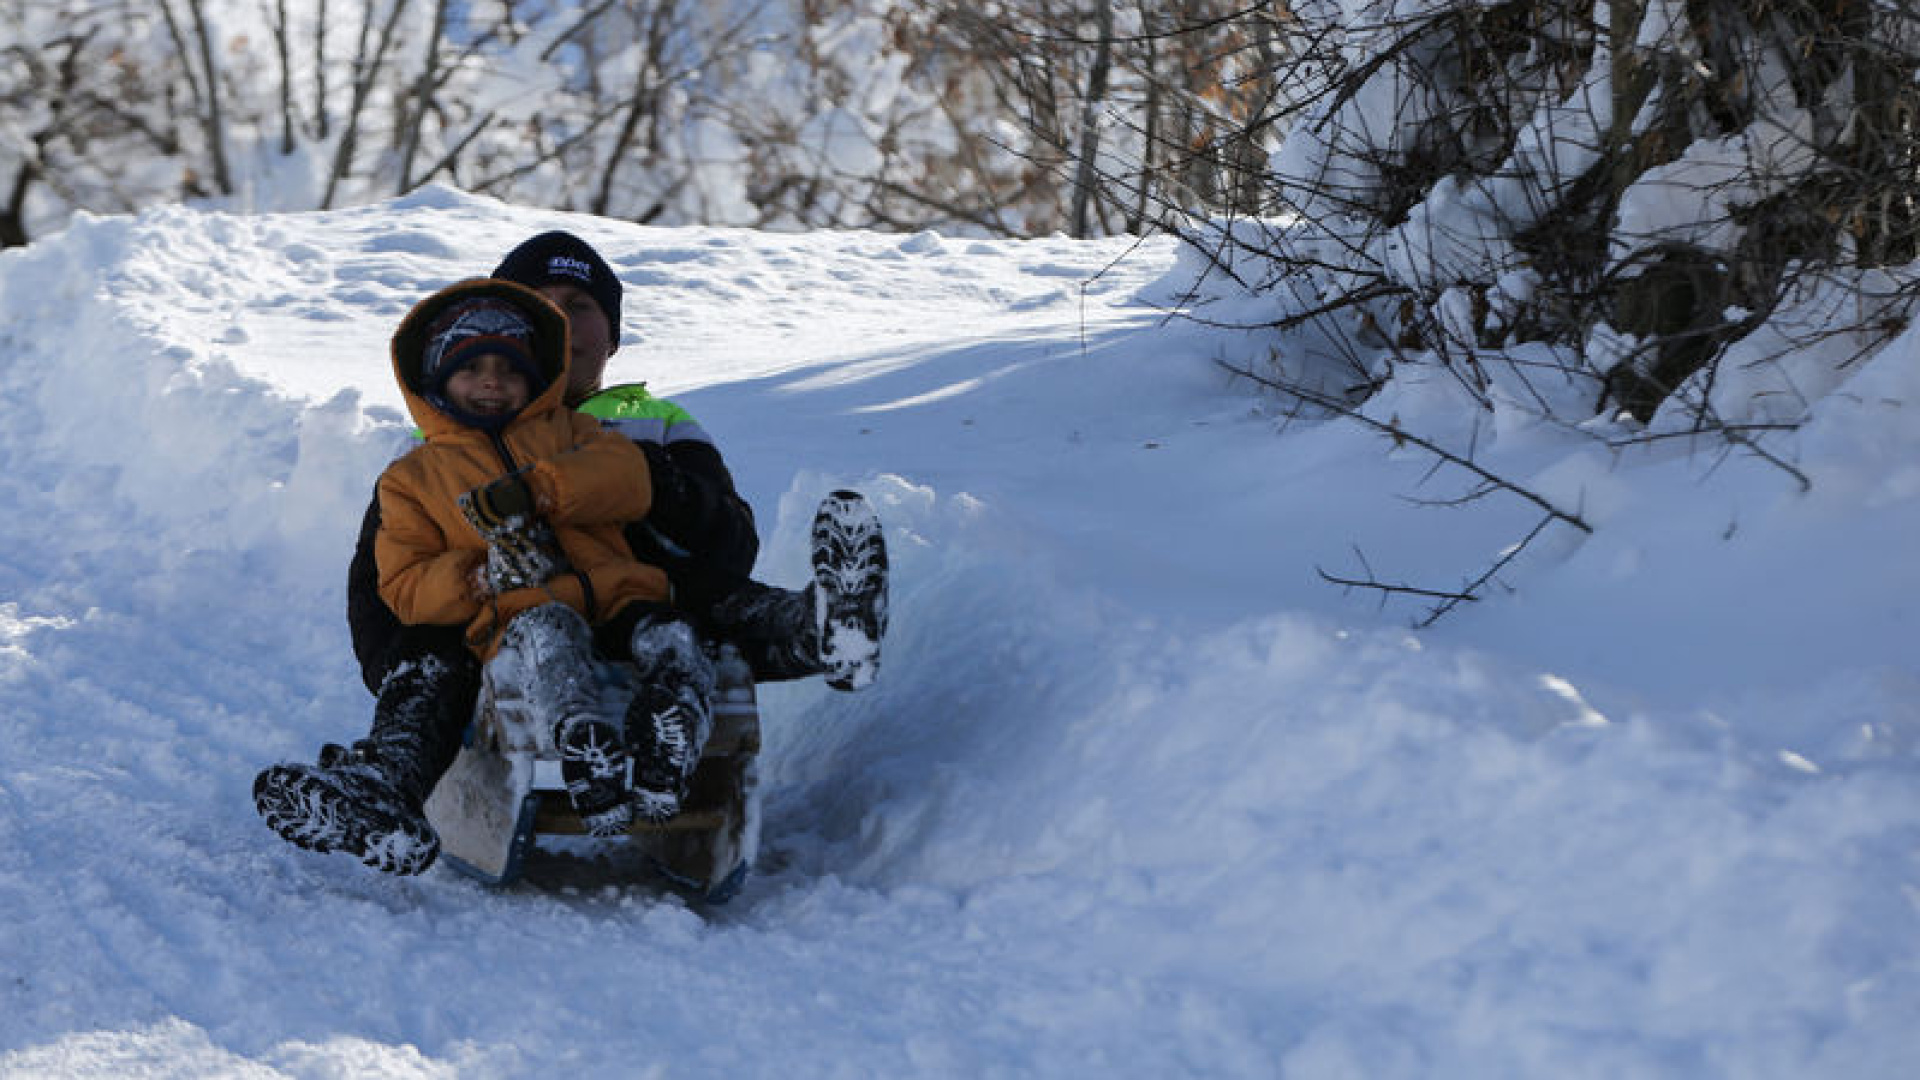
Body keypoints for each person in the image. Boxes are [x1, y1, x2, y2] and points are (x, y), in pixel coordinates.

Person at [253, 232, 888, 875]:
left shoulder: (649, 424)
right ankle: (392, 775)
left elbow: (729, 544)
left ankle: (819, 628)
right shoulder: (431, 453)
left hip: (643, 602)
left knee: (698, 601)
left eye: (579, 303)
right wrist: (418, 661)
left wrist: (648, 482)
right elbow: (385, 583)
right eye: (542, 299)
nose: (560, 314)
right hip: (501, 629)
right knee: (437, 664)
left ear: (608, 334)